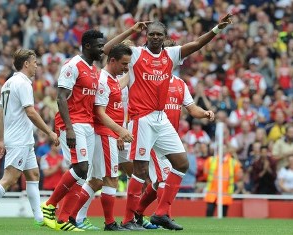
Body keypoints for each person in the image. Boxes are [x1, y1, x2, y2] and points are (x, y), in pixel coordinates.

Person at [103, 15, 232, 230]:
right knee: (141, 171)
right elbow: (108, 49)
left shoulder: (170, 55)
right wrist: (130, 31)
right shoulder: (135, 54)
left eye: (158, 34)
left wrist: (217, 28)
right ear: (146, 35)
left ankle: (161, 213)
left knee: (182, 163)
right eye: (151, 34)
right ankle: (128, 220)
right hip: (141, 118)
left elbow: (197, 44)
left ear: (164, 37)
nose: (154, 37)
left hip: (160, 117)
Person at [134, 39, 214, 226]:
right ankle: (163, 215)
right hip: (151, 134)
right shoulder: (148, 79)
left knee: (157, 184)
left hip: (168, 136)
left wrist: (205, 113)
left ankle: (138, 212)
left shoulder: (180, 84)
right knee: (165, 175)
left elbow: (192, 109)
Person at [0, 49, 59, 227]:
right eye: (35, 62)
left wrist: (1, 138)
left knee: (33, 174)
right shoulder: (23, 83)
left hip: (22, 138)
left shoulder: (8, 83)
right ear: (26, 64)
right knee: (10, 178)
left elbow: (0, 112)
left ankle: (39, 218)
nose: (37, 65)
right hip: (19, 139)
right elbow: (30, 111)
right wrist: (49, 132)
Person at [40, 29, 105, 231]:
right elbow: (61, 97)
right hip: (72, 123)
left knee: (82, 173)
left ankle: (64, 219)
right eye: (99, 46)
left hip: (87, 124)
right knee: (81, 168)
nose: (102, 49)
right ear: (87, 46)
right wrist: (68, 129)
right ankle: (50, 205)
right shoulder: (72, 65)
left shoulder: (94, 69)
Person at [67, 43, 133, 231]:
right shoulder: (103, 79)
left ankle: (71, 216)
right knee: (110, 179)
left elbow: (118, 90)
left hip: (107, 134)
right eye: (124, 64)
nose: (126, 67)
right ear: (112, 60)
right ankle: (110, 223)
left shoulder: (111, 78)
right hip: (105, 134)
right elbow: (100, 112)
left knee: (96, 180)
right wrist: (120, 131)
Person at [204, 144, 242, 217]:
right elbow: (205, 173)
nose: (223, 150)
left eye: (224, 149)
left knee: (223, 215)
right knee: (209, 212)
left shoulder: (233, 162)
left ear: (227, 150)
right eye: (221, 148)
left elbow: (238, 175)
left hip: (225, 193)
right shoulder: (211, 160)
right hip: (212, 192)